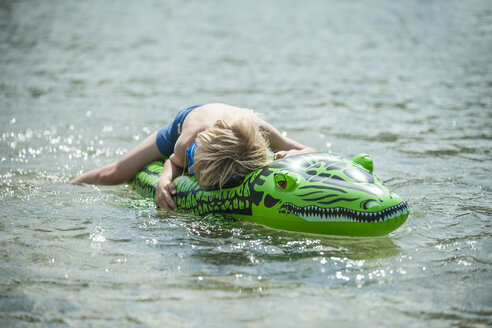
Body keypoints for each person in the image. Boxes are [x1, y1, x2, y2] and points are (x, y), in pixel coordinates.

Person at [71, 103, 314, 211]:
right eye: (195, 167)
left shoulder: (257, 129)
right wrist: (164, 180)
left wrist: (290, 153)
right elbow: (175, 162)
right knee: (115, 173)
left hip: (228, 129)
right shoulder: (188, 143)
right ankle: (68, 184)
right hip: (185, 121)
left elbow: (308, 150)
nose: (193, 173)